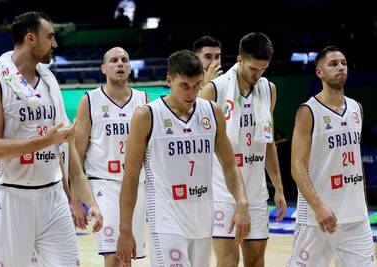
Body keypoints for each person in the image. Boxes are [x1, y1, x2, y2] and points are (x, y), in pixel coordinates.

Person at [0, 11, 103, 266]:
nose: (55, 44)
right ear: (31, 38)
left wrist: (88, 201)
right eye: (50, 37)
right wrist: (46, 140)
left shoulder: (49, 80)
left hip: (52, 196)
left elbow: (64, 147)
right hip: (12, 197)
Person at [117, 50, 251, 267]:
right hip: (166, 221)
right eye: (184, 86)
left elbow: (229, 164)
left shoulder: (212, 112)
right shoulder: (146, 116)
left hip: (202, 220)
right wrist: (125, 230)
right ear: (169, 81)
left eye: (197, 85)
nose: (191, 93)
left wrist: (242, 201)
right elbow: (131, 177)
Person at [199, 32, 287, 267]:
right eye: (252, 68)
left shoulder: (269, 89)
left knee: (256, 261)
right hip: (222, 193)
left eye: (263, 69)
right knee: (228, 262)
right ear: (239, 59)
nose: (257, 74)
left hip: (256, 192)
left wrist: (278, 187)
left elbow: (267, 143)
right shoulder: (214, 90)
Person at [288, 46, 374, 266]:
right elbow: (297, 166)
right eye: (333, 64)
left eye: (343, 63)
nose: (340, 67)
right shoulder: (308, 111)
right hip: (318, 218)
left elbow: (355, 160)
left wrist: (363, 204)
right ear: (319, 72)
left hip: (356, 218)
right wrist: (319, 208)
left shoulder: (357, 108)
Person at [74, 47, 148, 267]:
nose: (120, 63)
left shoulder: (143, 100)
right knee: (113, 254)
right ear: (103, 68)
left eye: (125, 60)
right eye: (114, 60)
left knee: (127, 253)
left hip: (136, 184)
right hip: (103, 183)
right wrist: (76, 199)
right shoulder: (89, 100)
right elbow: (77, 152)